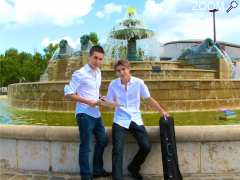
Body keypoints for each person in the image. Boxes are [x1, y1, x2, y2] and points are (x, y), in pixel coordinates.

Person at [105, 60, 169, 180]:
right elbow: (109, 103)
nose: (121, 72)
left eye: (123, 69)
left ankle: (134, 167)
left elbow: (148, 99)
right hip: (120, 119)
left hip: (135, 118)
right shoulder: (113, 84)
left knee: (146, 146)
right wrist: (108, 102)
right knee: (117, 150)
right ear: (116, 73)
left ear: (129, 69)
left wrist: (161, 111)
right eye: (118, 71)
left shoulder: (139, 83)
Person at [64, 45, 111, 180]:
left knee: (102, 141)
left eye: (100, 59)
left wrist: (99, 98)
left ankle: (97, 170)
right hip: (84, 114)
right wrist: (88, 101)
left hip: (96, 113)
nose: (97, 61)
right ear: (89, 56)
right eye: (95, 58)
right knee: (86, 145)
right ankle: (85, 176)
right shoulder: (80, 73)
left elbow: (93, 92)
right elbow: (68, 93)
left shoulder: (99, 72)